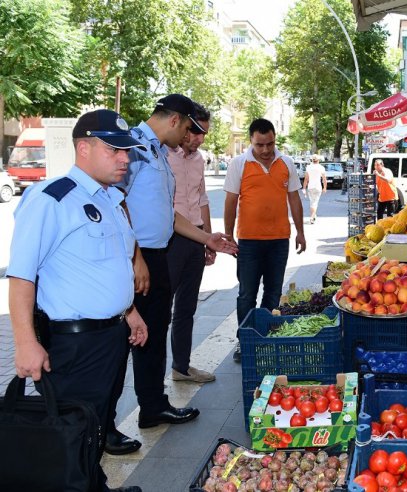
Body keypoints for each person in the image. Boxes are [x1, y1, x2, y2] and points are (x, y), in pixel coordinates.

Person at [8, 109, 148, 492]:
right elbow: (21, 277)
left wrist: (130, 312)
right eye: (115, 150)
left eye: (128, 151)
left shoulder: (109, 199)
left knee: (97, 428)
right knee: (70, 437)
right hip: (74, 345)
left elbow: (111, 267)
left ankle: (95, 485)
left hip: (110, 337)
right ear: (83, 147)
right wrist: (25, 343)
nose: (125, 158)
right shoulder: (51, 199)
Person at [107, 94, 237, 438]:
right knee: (124, 341)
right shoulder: (131, 146)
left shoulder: (157, 152)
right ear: (177, 120)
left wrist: (206, 237)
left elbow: (168, 212)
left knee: (153, 333)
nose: (192, 140)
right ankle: (104, 426)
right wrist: (135, 258)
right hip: (139, 257)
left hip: (158, 254)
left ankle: (153, 407)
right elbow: (115, 203)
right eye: (192, 130)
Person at [224, 118, 306, 361]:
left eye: (270, 144)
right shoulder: (239, 164)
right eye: (260, 145)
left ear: (274, 140)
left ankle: (264, 336)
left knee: (272, 292)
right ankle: (245, 341)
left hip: (279, 240)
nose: (266, 150)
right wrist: (228, 235)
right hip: (248, 242)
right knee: (246, 294)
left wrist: (300, 231)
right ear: (251, 141)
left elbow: (294, 199)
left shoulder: (286, 163)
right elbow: (230, 202)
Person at [166, 102, 216, 383]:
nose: (199, 139)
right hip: (169, 240)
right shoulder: (162, 156)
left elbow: (202, 200)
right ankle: (150, 387)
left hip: (196, 237)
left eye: (204, 134)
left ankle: (181, 367)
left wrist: (209, 239)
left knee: (187, 307)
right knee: (162, 311)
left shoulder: (198, 160)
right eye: (196, 131)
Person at [302, 154, 327, 224]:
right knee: (315, 203)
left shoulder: (308, 167)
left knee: (312, 203)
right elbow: (324, 179)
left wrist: (304, 188)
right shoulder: (321, 167)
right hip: (318, 187)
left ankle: (313, 216)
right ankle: (312, 217)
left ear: (312, 160)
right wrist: (325, 187)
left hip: (310, 187)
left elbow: (306, 179)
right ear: (318, 160)